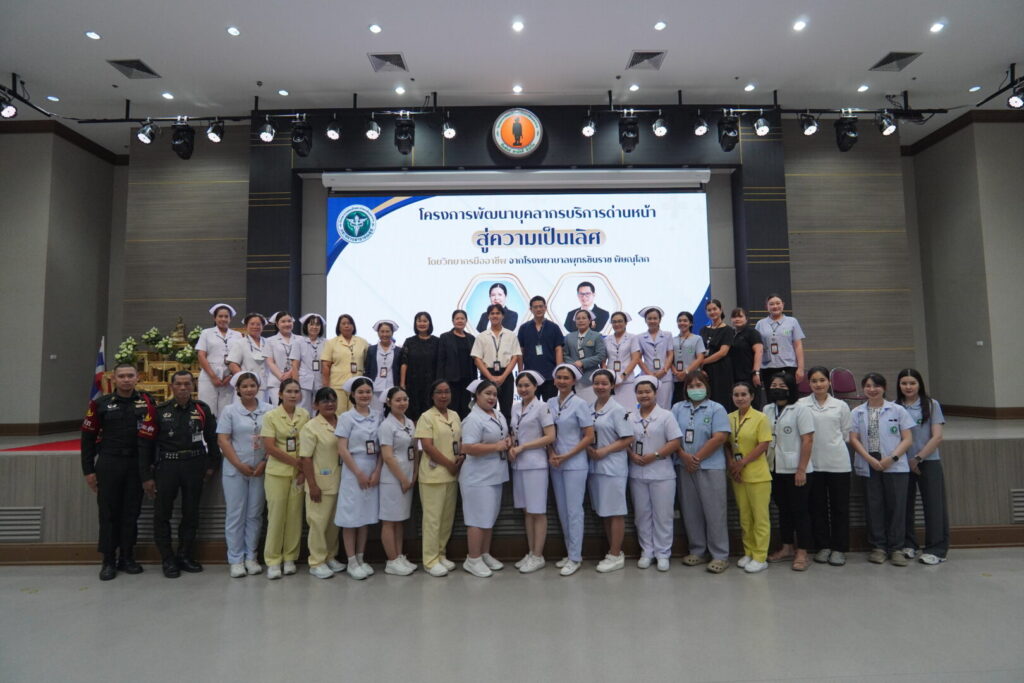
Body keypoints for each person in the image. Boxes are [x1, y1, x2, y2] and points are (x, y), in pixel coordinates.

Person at [139, 371, 220, 579]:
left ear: (193, 386)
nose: (183, 388)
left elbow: (212, 439)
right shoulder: (158, 411)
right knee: (162, 514)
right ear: (171, 386)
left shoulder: (201, 409)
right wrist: (146, 476)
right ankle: (167, 558)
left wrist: (212, 465)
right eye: (179, 384)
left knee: (191, 513)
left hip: (194, 465)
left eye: (187, 384)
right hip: (167, 466)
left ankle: (185, 555)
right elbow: (145, 445)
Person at [80, 362, 154, 580]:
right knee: (108, 513)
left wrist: (150, 468)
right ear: (113, 378)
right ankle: (108, 560)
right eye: (122, 376)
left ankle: (127, 557)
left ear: (138, 377)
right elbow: (87, 439)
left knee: (131, 513)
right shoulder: (100, 404)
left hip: (136, 464)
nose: (126, 380)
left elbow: (153, 437)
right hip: (110, 463)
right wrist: (88, 470)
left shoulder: (148, 402)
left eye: (130, 375)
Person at [849, 373, 915, 566]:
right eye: (868, 386)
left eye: (876, 386)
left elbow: (908, 439)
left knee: (897, 507)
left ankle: (896, 548)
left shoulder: (897, 410)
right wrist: (869, 459)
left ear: (884, 388)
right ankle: (878, 547)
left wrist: (892, 458)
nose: (872, 389)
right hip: (869, 464)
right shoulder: (857, 412)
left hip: (895, 465)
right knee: (873, 506)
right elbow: (854, 439)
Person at [672, 370, 732, 574]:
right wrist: (683, 456)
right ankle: (697, 550)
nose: (695, 389)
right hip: (684, 466)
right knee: (691, 511)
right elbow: (672, 436)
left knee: (715, 512)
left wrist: (696, 458)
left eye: (699, 385)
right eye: (691, 386)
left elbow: (720, 437)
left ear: (706, 386)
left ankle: (720, 555)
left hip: (710, 467)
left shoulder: (716, 408)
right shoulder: (678, 408)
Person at [216, 372, 273, 578]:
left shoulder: (269, 410)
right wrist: (239, 464)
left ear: (258, 387)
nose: (249, 389)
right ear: (238, 389)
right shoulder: (230, 411)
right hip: (235, 469)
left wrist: (264, 462)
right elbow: (223, 440)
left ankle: (251, 557)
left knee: (255, 514)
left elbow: (273, 439)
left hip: (260, 469)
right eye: (245, 386)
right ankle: (236, 559)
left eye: (252, 385)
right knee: (235, 514)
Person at [797, 366, 853, 566]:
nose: (818, 384)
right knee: (817, 507)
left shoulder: (840, 405)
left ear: (829, 382)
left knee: (840, 508)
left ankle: (839, 548)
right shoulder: (801, 404)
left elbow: (846, 434)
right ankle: (823, 546)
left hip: (838, 463)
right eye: (814, 381)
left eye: (822, 380)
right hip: (813, 464)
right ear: (809, 383)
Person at [628, 375, 683, 571]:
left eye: (647, 392)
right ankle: (647, 552)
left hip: (662, 473)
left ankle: (663, 553)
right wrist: (631, 455)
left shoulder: (666, 416)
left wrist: (655, 455)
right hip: (637, 472)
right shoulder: (630, 417)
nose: (644, 395)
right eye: (640, 392)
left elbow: (675, 442)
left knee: (663, 515)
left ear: (655, 393)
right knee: (642, 515)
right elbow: (625, 441)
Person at [896, 368, 949, 565]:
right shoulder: (895, 407)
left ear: (920, 385)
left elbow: (937, 437)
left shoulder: (932, 405)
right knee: (904, 505)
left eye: (912, 383)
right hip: (902, 463)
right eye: (904, 383)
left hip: (928, 461)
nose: (908, 387)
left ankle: (936, 549)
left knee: (934, 505)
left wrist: (918, 458)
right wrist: (905, 459)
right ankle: (908, 544)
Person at [459, 379, 512, 578]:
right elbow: (467, 447)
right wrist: (496, 447)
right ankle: (472, 559)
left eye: (494, 394)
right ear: (477, 396)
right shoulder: (473, 419)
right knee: (476, 519)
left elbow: (502, 436)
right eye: (487, 394)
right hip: (477, 477)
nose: (492, 398)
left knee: (489, 517)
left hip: (495, 474)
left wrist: (507, 441)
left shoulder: (498, 414)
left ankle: (484, 553)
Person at [763, 372, 815, 571]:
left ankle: (802, 551)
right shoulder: (767, 409)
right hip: (774, 468)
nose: (777, 388)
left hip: (797, 469)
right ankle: (786, 547)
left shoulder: (801, 409)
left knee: (800, 511)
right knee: (783, 510)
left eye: (782, 386)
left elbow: (808, 440)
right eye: (774, 385)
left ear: (791, 388)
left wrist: (801, 469)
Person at [547, 363, 595, 577]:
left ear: (574, 381)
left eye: (566, 378)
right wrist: (551, 453)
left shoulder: (580, 404)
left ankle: (575, 557)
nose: (562, 381)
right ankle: (570, 553)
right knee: (562, 510)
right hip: (556, 463)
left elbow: (589, 436)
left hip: (575, 464)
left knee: (574, 510)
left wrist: (567, 455)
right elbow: (547, 432)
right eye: (559, 377)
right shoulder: (549, 403)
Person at [259, 377, 310, 579]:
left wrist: (303, 470)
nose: (293, 395)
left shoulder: (304, 415)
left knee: (294, 517)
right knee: (276, 517)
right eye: (289, 391)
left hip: (298, 474)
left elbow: (307, 444)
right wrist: (296, 463)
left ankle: (290, 558)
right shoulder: (270, 416)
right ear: (280, 394)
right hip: (277, 473)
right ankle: (273, 560)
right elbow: (270, 447)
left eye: (296, 391)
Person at [334, 376, 382, 580]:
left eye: (368, 392)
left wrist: (377, 471)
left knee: (365, 517)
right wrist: (359, 473)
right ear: (353, 395)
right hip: (353, 469)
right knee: (350, 517)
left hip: (373, 468)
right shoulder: (346, 418)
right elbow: (342, 449)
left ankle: (361, 558)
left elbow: (382, 447)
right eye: (360, 392)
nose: (365, 395)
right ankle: (351, 561)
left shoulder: (378, 416)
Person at [415, 379, 464, 577]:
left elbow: (459, 441)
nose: (444, 395)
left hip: (452, 475)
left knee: (446, 519)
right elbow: (427, 446)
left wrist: (460, 457)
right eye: (439, 392)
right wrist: (449, 464)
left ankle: (441, 554)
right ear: (432, 395)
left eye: (447, 391)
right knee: (432, 520)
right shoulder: (426, 417)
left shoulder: (455, 415)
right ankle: (430, 560)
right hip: (433, 476)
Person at [587, 369, 634, 573]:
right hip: (595, 467)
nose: (600, 387)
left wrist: (604, 450)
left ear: (612, 385)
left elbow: (628, 438)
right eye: (596, 383)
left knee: (615, 512)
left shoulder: (617, 409)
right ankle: (612, 552)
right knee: (604, 511)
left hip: (612, 467)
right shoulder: (589, 408)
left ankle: (616, 554)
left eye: (604, 383)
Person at [508, 370, 555, 574]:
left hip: (536, 464)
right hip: (518, 464)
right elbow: (515, 432)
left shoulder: (543, 407)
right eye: (520, 385)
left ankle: (538, 555)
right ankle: (531, 552)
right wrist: (511, 444)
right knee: (527, 511)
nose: (523, 389)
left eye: (527, 385)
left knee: (537, 511)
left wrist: (523, 447)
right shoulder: (515, 407)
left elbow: (550, 436)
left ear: (535, 387)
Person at [298, 387, 347, 579]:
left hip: (340, 481)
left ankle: (330, 556)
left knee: (334, 524)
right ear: (315, 405)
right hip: (319, 483)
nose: (330, 404)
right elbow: (306, 458)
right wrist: (313, 485)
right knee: (318, 523)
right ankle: (317, 561)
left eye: (333, 400)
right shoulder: (311, 427)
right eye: (325, 401)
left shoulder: (342, 422)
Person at [727, 381, 773, 574]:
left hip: (757, 475)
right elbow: (727, 444)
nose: (740, 398)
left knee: (760, 518)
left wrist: (743, 462)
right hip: (738, 476)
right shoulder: (729, 417)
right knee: (745, 517)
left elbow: (763, 444)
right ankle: (749, 552)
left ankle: (760, 556)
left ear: (752, 396)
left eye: (744, 394)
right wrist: (732, 464)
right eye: (736, 395)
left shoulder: (760, 418)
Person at [378, 386, 419, 576]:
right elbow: (387, 456)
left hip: (407, 478)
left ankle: (399, 556)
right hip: (393, 479)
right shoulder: (386, 426)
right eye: (398, 400)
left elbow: (415, 450)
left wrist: (414, 474)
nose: (402, 403)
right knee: (389, 521)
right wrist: (403, 478)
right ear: (389, 403)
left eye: (405, 399)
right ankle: (391, 560)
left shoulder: (409, 422)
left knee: (400, 520)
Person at [471, 303, 523, 422]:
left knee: (506, 409)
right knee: (487, 409)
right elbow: (477, 359)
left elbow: (515, 357)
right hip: (487, 374)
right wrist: (490, 378)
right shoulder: (481, 336)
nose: (495, 316)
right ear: (488, 316)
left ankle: (507, 432)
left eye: (498, 313)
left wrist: (503, 377)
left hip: (506, 374)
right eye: (492, 313)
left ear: (503, 316)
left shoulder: (511, 335)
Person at [195, 303, 242, 415]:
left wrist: (230, 377)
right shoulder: (206, 333)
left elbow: (240, 358)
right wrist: (213, 377)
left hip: (229, 378)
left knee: (226, 411)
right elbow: (201, 355)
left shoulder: (237, 335)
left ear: (230, 319)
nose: (223, 319)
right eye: (220, 316)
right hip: (209, 376)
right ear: (214, 318)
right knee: (207, 409)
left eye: (226, 316)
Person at [517, 295, 564, 400]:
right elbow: (520, 351)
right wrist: (521, 372)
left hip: (550, 375)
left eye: (541, 306)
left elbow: (558, 349)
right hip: (530, 376)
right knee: (531, 406)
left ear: (545, 308)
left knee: (550, 406)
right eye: (535, 307)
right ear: (531, 309)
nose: (538, 309)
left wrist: (559, 372)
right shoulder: (524, 328)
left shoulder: (554, 327)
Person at [320, 314, 369, 413]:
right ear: (339, 327)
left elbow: (367, 363)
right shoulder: (331, 343)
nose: (347, 326)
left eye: (349, 323)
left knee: (356, 413)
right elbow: (326, 365)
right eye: (343, 323)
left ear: (353, 326)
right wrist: (326, 386)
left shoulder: (362, 342)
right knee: (339, 413)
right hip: (338, 385)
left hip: (356, 386)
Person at [754, 294, 806, 385]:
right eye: (771, 304)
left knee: (789, 392)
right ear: (767, 306)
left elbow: (798, 346)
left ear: (783, 304)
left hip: (789, 366)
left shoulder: (792, 321)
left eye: (778, 303)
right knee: (770, 392)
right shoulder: (760, 324)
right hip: (767, 367)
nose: (775, 306)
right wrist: (756, 371)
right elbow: (757, 349)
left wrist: (800, 368)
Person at [436, 309, 477, 419]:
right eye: (457, 318)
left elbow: (474, 363)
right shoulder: (445, 337)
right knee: (452, 409)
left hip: (467, 381)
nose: (460, 321)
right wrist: (440, 381)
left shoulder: (471, 338)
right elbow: (441, 361)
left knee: (466, 409)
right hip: (451, 381)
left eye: (462, 318)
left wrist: (475, 383)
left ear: (466, 321)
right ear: (453, 321)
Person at [400, 312, 439, 421]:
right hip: (413, 383)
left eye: (425, 321)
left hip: (431, 383)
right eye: (419, 321)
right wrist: (402, 383)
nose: (422, 323)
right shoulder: (409, 341)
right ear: (415, 323)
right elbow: (404, 363)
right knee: (413, 412)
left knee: (430, 412)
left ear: (429, 323)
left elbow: (440, 363)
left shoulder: (437, 341)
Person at [563, 309, 608, 404]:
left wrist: (582, 363)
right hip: (573, 378)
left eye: (584, 318)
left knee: (590, 406)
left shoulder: (596, 336)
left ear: (589, 320)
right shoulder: (569, 337)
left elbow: (601, 355)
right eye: (578, 318)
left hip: (590, 378)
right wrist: (573, 365)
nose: (581, 320)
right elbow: (565, 354)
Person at [700, 299, 735, 411]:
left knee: (721, 399)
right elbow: (700, 351)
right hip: (705, 371)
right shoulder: (703, 330)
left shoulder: (728, 330)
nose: (712, 312)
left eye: (714, 309)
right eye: (709, 310)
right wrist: (700, 368)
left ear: (720, 310)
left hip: (721, 369)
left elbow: (722, 352)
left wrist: (702, 362)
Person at [637, 306, 674, 408]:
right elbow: (638, 358)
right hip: (647, 375)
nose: (652, 321)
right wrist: (649, 374)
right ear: (645, 320)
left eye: (655, 318)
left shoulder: (667, 335)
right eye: (649, 318)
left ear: (660, 320)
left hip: (664, 376)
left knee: (664, 406)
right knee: (647, 405)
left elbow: (670, 354)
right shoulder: (640, 337)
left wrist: (664, 370)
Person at [604, 311, 641, 410]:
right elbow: (603, 361)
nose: (617, 324)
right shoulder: (607, 339)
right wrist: (607, 377)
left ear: (626, 323)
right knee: (611, 410)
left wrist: (623, 376)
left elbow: (635, 359)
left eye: (620, 321)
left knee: (628, 411)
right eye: (614, 322)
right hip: (611, 382)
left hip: (627, 381)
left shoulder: (632, 338)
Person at [227, 313, 269, 396]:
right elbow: (232, 364)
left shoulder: (268, 342)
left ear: (263, 326)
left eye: (258, 324)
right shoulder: (240, 343)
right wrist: (244, 380)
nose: (255, 327)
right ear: (246, 326)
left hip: (264, 386)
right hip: (247, 387)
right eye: (252, 324)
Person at [670, 311, 707, 405]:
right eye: (679, 321)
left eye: (685, 321)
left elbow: (700, 358)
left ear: (691, 323)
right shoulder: (672, 340)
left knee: (694, 403)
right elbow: (669, 358)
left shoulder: (697, 338)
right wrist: (675, 372)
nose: (682, 323)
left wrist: (686, 372)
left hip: (693, 377)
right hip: (677, 378)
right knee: (678, 404)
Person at [265, 311, 300, 405]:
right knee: (279, 408)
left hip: (296, 379)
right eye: (283, 321)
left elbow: (300, 361)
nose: (287, 324)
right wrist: (282, 377)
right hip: (276, 382)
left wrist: (290, 373)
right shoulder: (269, 341)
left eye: (289, 321)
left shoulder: (301, 340)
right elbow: (270, 362)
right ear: (277, 324)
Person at [366, 320, 401, 413]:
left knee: (393, 413)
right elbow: (368, 369)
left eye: (387, 331)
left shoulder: (398, 350)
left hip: (392, 387)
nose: (384, 334)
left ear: (392, 333)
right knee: (376, 414)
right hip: (375, 387)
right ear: (378, 333)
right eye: (382, 331)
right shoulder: (371, 350)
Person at [296, 313, 326, 414]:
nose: (314, 327)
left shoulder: (326, 343)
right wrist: (296, 385)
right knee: (303, 409)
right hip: (303, 381)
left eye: (317, 325)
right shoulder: (299, 342)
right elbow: (295, 366)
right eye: (311, 324)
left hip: (320, 381)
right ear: (306, 326)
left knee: (319, 408)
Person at [729, 307, 764, 395]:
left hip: (749, 375)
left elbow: (759, 352)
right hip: (733, 376)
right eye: (734, 317)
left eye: (740, 316)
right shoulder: (729, 334)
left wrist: (756, 372)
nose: (737, 319)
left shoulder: (752, 333)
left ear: (746, 318)